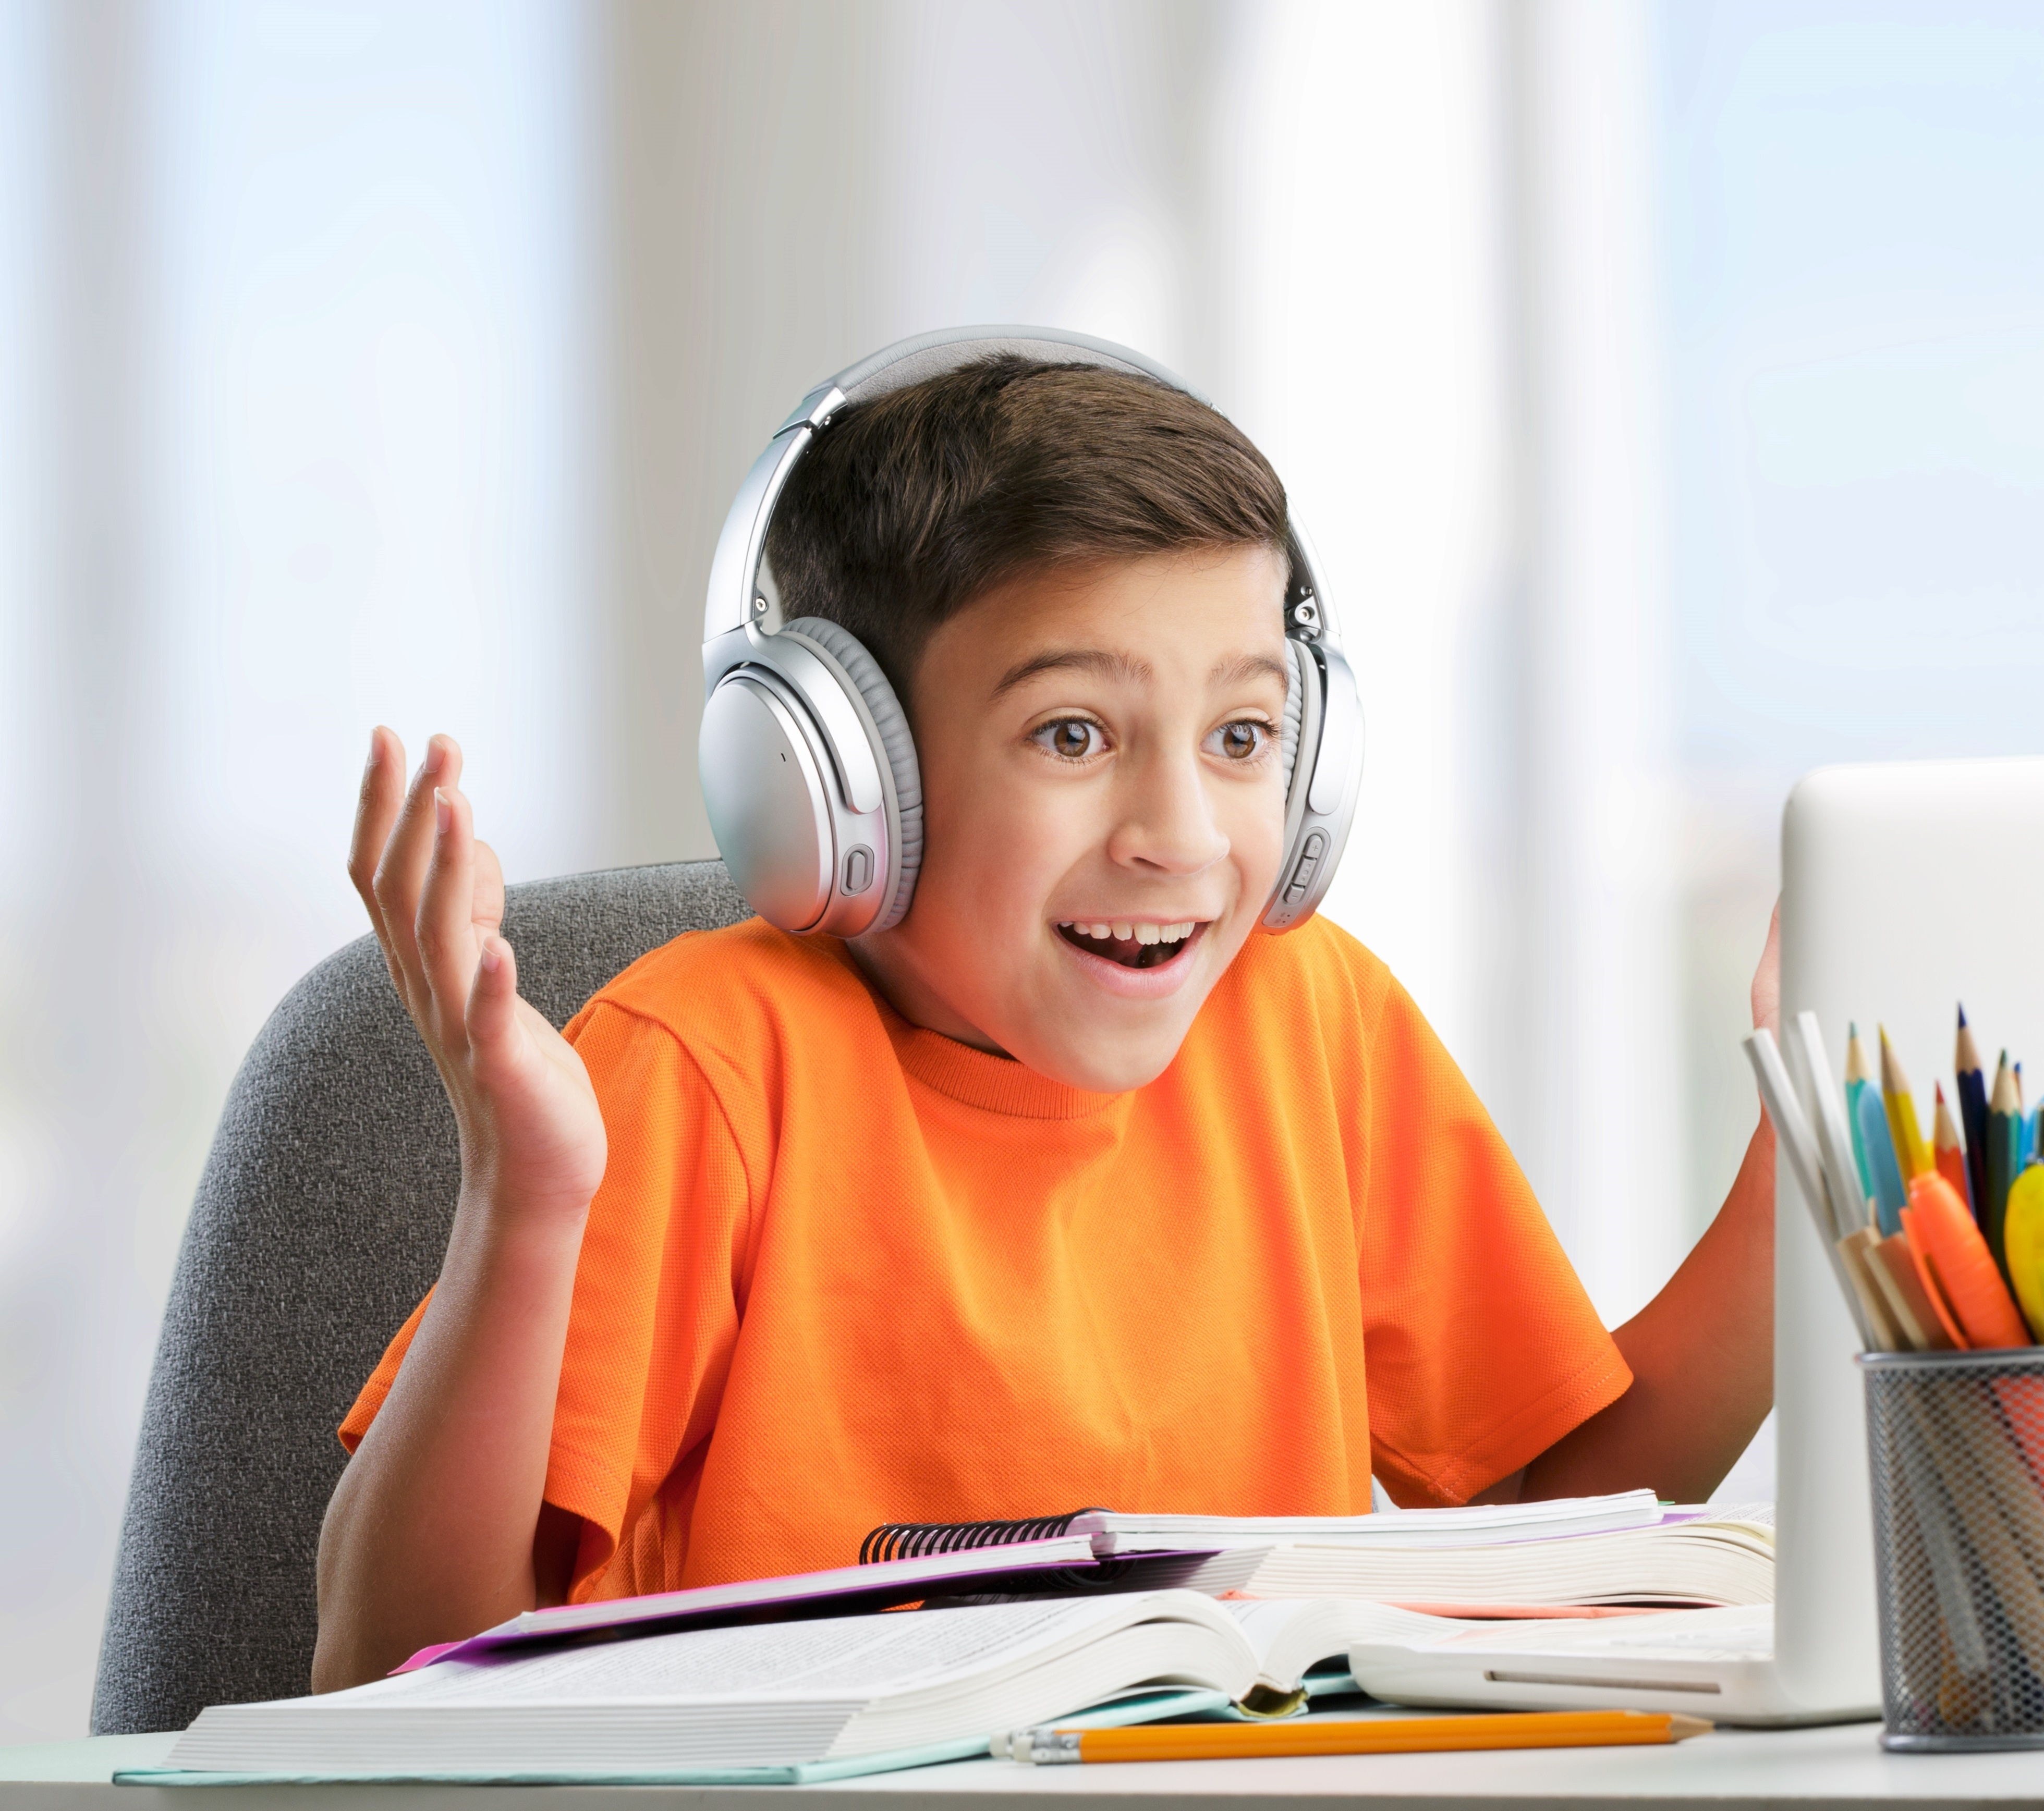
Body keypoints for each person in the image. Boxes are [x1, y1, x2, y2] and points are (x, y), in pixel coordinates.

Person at [312, 351, 1779, 1693]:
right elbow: (391, 1669)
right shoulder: (710, 1064)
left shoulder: (1312, 1022)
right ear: (836, 779)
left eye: (1244, 735)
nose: (1181, 835)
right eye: (1072, 734)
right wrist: (529, 1198)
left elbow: (1547, 1520)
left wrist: (1804, 1163)